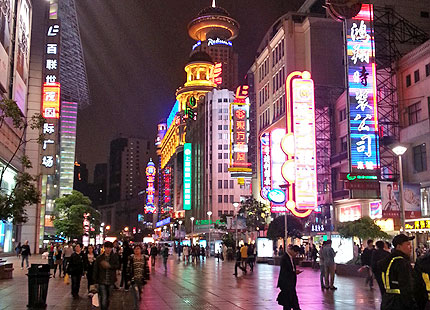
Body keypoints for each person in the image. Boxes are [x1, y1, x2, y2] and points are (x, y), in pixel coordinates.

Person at [378, 234, 418, 310]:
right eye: (407, 244)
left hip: (387, 301)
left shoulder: (388, 261)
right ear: (399, 246)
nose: (411, 247)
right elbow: (407, 286)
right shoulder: (401, 262)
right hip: (400, 303)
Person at [93, 241, 120, 310]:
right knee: (104, 297)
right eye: (107, 248)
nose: (108, 249)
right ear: (104, 248)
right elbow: (95, 269)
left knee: (108, 297)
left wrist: (109, 266)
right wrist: (94, 281)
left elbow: (117, 265)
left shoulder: (114, 257)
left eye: (110, 248)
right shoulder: (100, 258)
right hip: (102, 280)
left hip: (110, 280)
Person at [277, 245, 303, 310]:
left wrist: (294, 271)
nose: (296, 255)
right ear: (292, 251)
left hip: (290, 282)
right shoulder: (285, 258)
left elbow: (291, 269)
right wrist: (294, 272)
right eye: (296, 253)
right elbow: (285, 271)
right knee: (288, 300)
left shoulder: (291, 258)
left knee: (290, 300)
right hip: (286, 282)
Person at [127, 245, 150, 310]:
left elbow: (146, 268)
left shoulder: (144, 258)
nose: (137, 250)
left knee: (139, 294)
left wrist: (147, 277)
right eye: (135, 249)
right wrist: (128, 279)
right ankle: (136, 308)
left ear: (141, 250)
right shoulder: (131, 258)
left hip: (141, 279)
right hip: (134, 279)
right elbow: (128, 269)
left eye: (138, 249)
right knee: (136, 295)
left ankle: (137, 305)